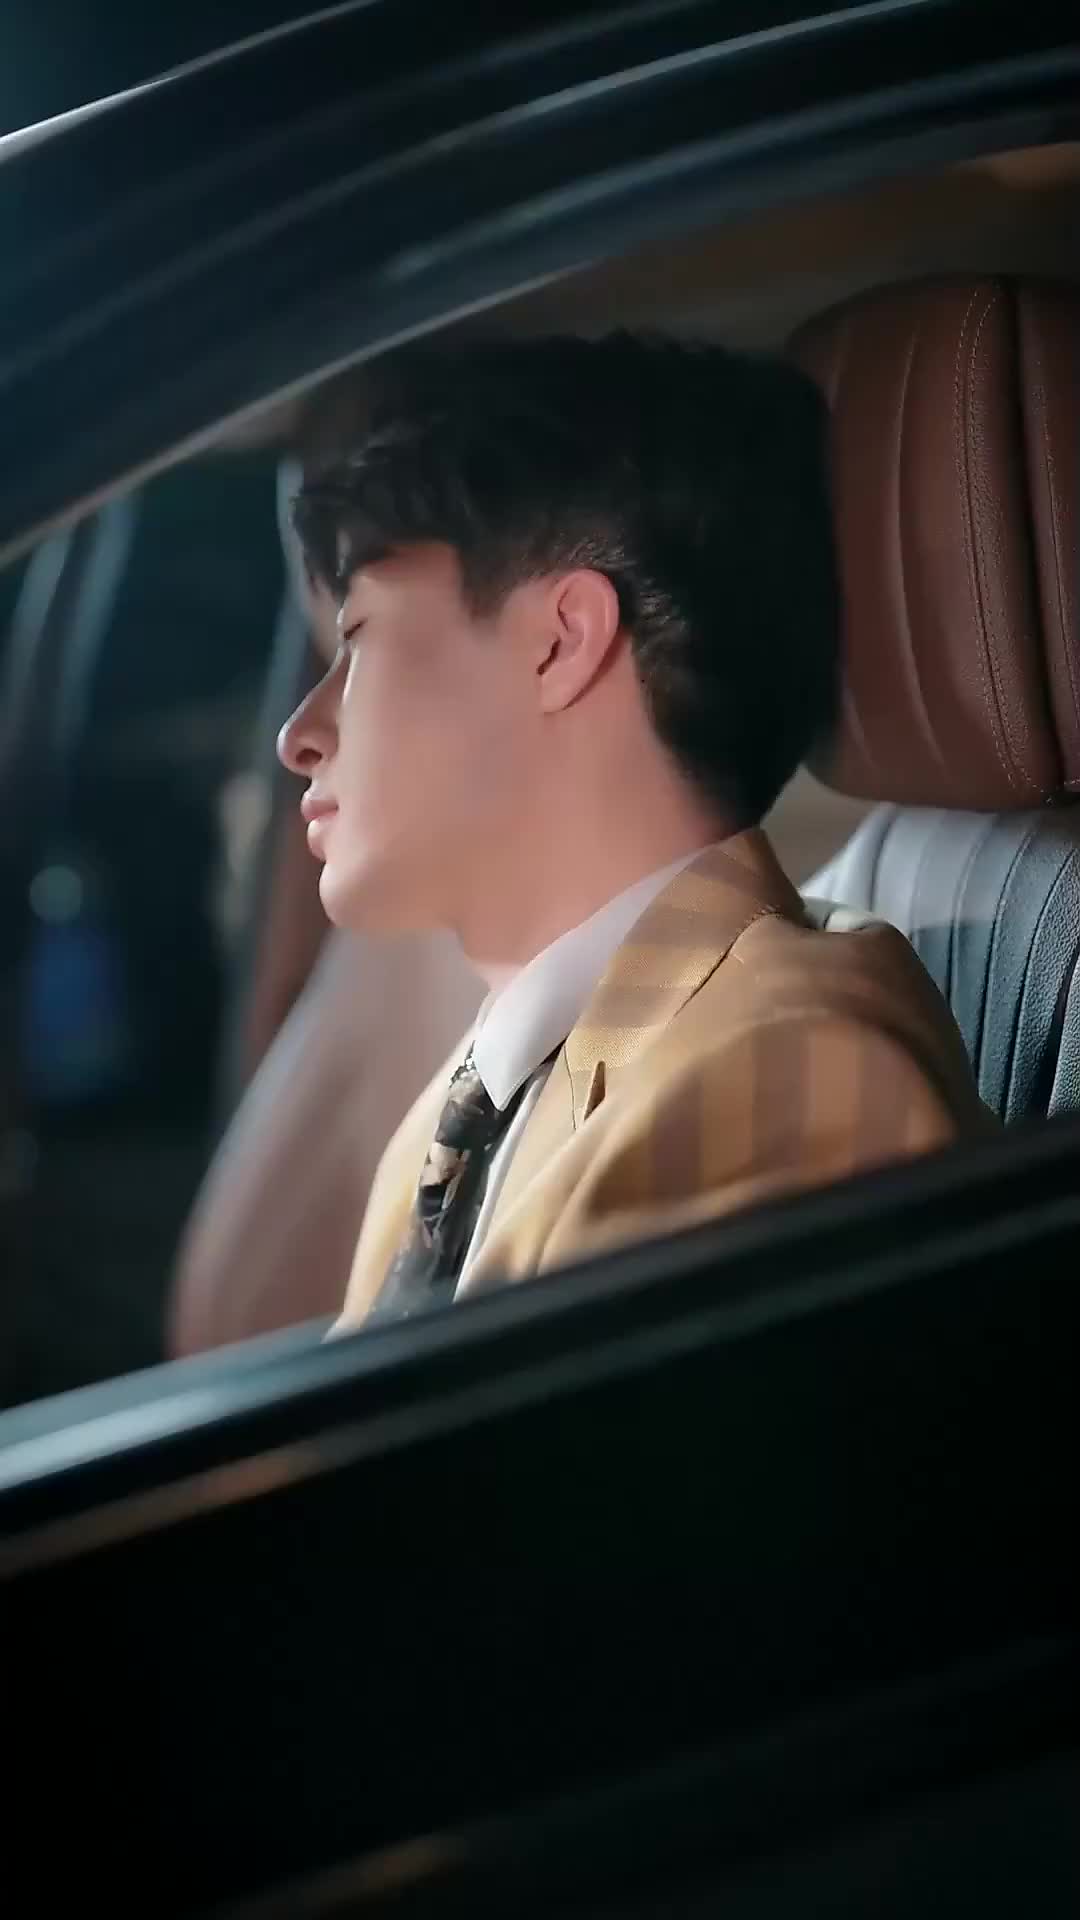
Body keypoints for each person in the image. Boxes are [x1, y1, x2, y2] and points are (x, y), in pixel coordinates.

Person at [277, 332, 993, 1332]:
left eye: (357, 639)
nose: (298, 736)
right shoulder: (479, 1092)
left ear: (560, 641)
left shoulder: (776, 1084)